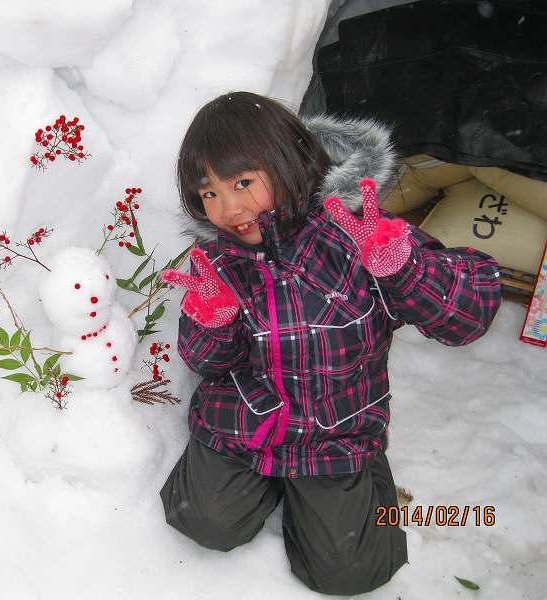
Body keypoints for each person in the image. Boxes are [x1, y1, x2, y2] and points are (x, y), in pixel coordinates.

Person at [158, 91, 501, 595]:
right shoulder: (219, 259)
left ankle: (363, 486)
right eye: (208, 193)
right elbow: (208, 364)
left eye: (242, 183)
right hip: (244, 425)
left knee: (348, 570)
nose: (228, 208)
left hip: (332, 434)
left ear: (285, 163)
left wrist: (405, 268)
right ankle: (263, 487)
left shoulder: (356, 235)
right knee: (202, 522)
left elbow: (466, 316)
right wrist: (211, 323)